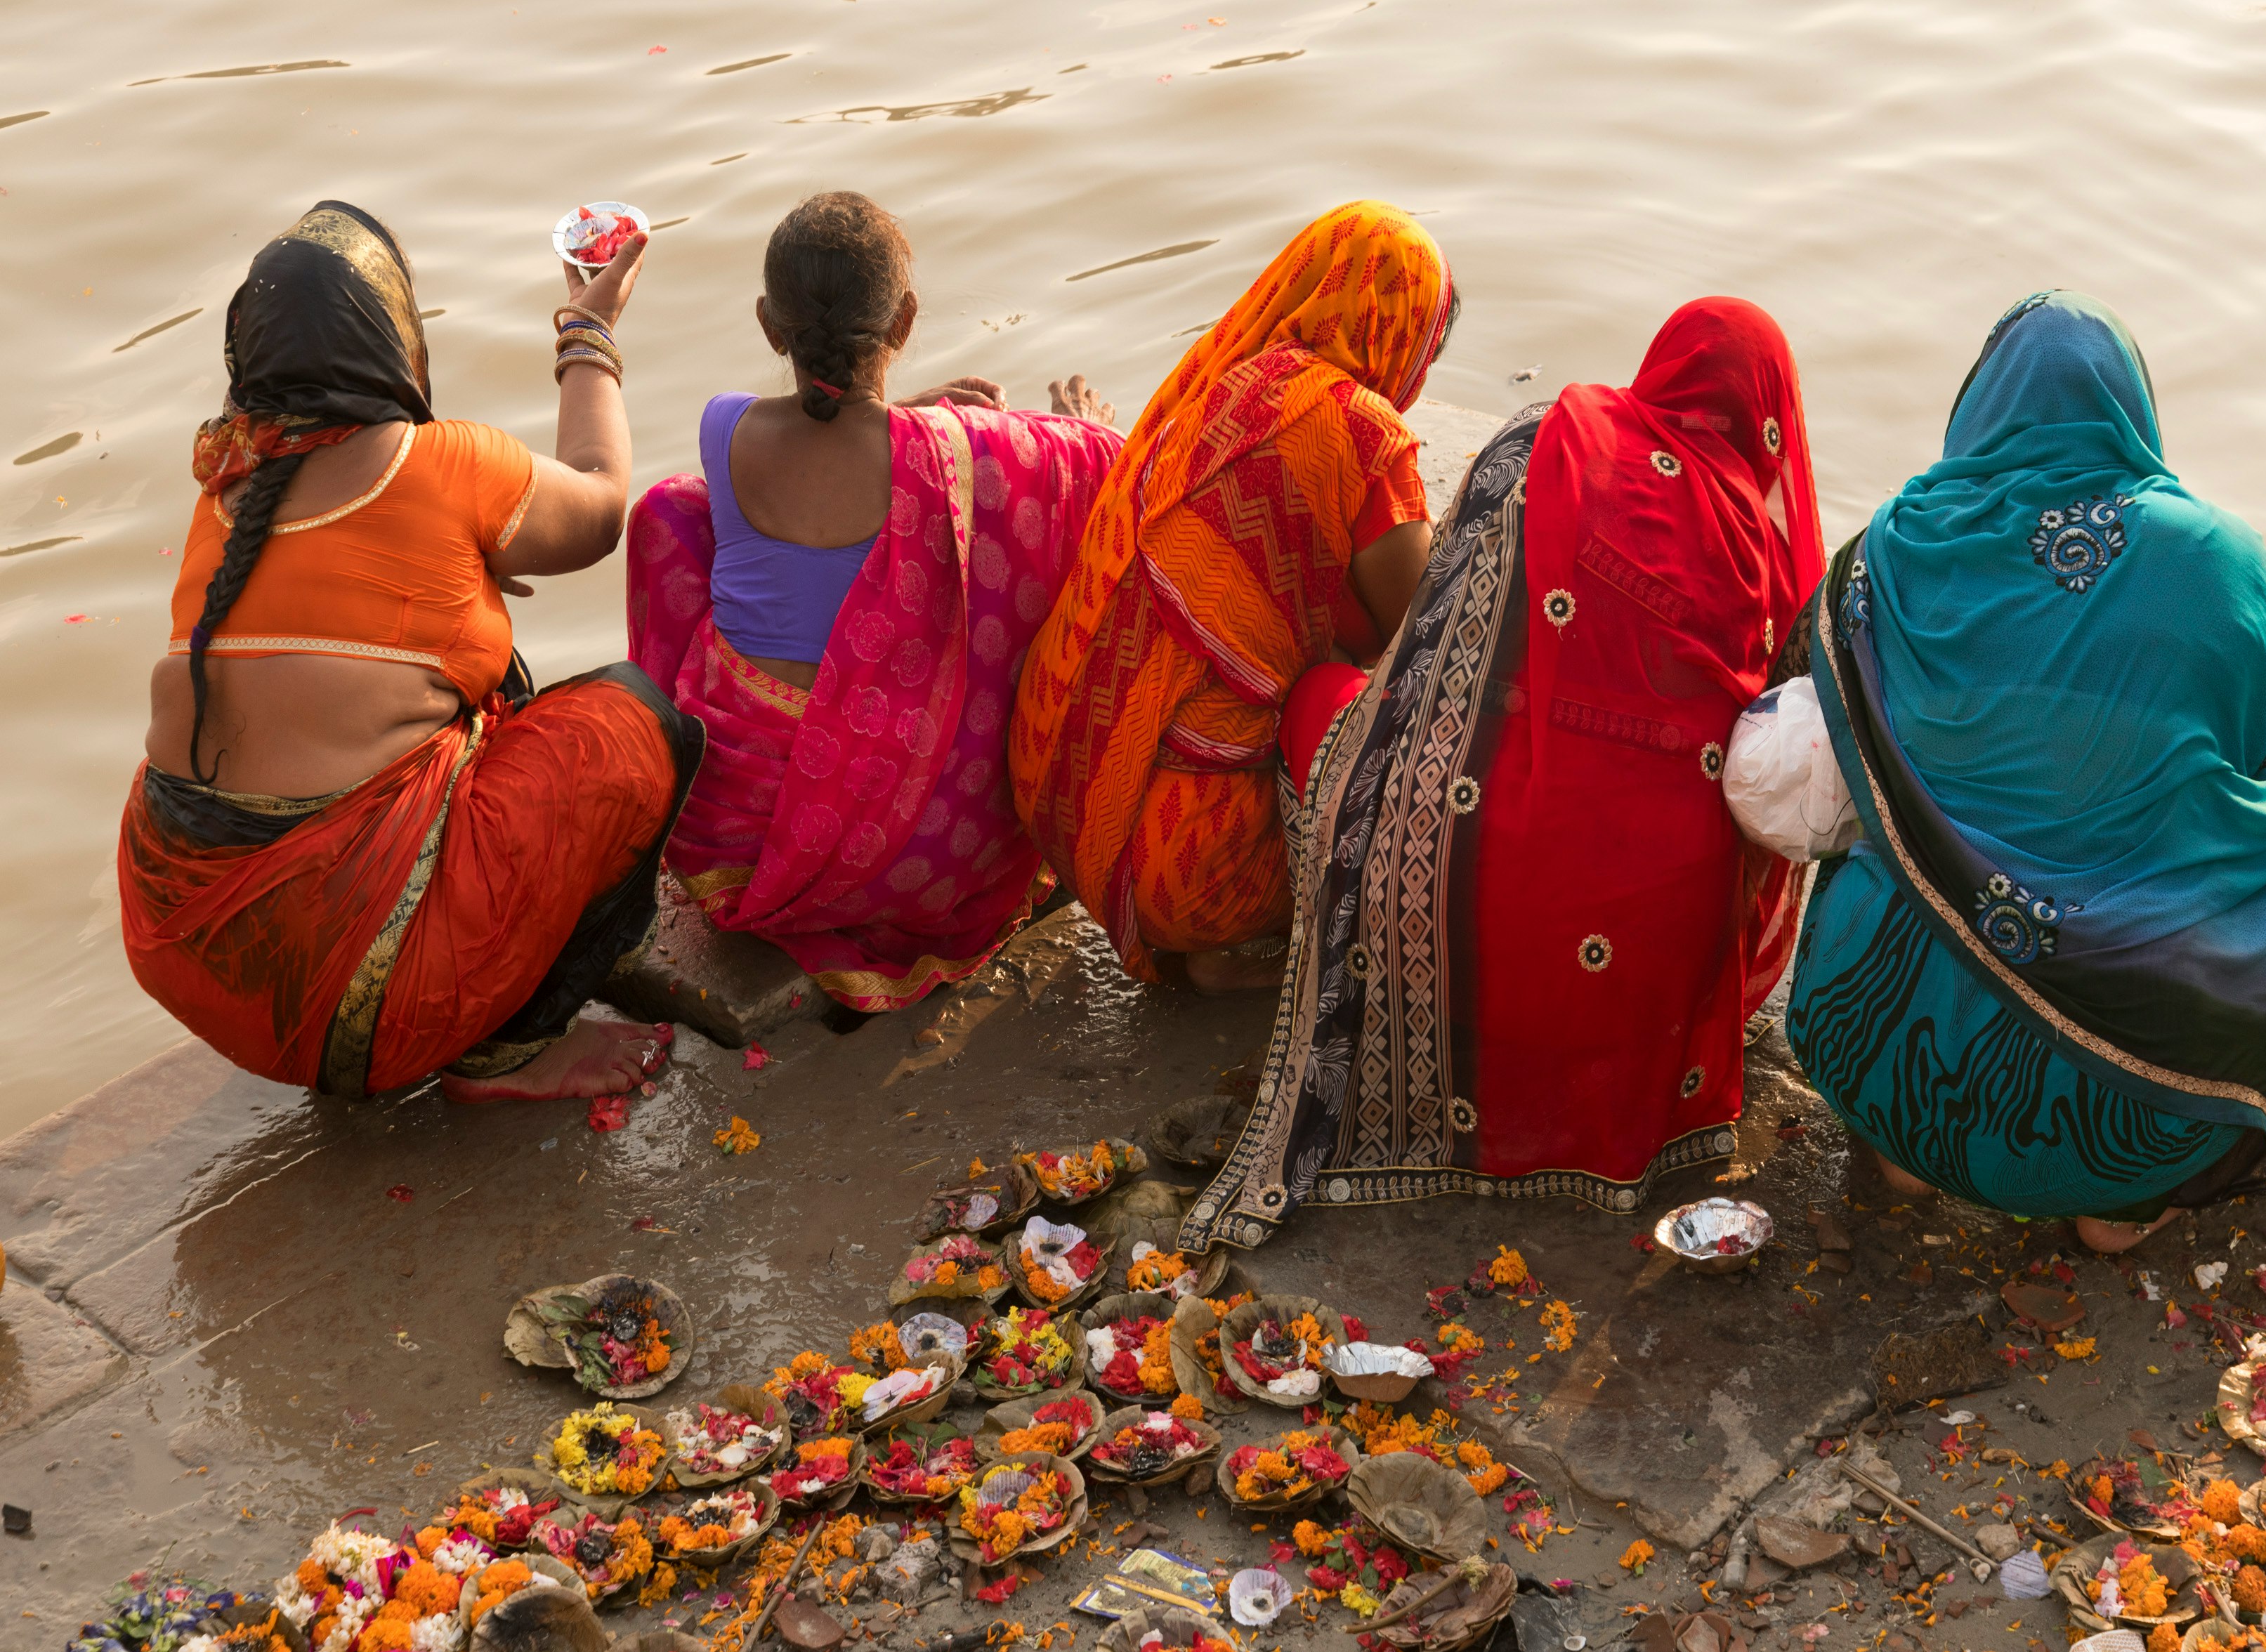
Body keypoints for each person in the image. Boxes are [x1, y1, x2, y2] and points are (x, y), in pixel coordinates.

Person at [1180, 298, 1824, 1252]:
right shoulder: (1762, 543)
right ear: (1773, 425)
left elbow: (1420, 658)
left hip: (1451, 914)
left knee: (1330, 696)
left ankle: (1312, 943)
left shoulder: (1542, 441)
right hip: (1651, 951)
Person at [1777, 290, 2266, 1254]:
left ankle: (1906, 1145)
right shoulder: (2215, 559)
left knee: (1877, 786)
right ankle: (2115, 1203)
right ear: (2133, 409)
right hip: (2124, 1120)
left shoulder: (1895, 547)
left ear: (1977, 405)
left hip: (1869, 1046)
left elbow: (1799, 724)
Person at [121, 200, 698, 1101]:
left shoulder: (226, 490)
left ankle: (402, 971)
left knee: (482, 681)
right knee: (634, 724)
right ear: (392, 340)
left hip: (198, 970)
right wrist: (588, 330)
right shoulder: (440, 464)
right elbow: (597, 505)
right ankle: (509, 1051)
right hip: (365, 1005)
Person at [627, 191, 1123, 1010]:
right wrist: (1076, 424)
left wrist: (917, 408)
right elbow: (1100, 462)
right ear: (904, 320)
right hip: (915, 859)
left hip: (735, 838)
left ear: (766, 324)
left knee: (673, 511)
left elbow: (836, 440)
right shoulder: (958, 452)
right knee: (1028, 536)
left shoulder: (727, 430)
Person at [1008, 200, 1456, 992]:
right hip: (1183, 869)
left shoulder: (1227, 377)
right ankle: (1229, 952)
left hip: (1059, 786)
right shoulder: (1362, 434)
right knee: (1389, 712)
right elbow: (1426, 634)